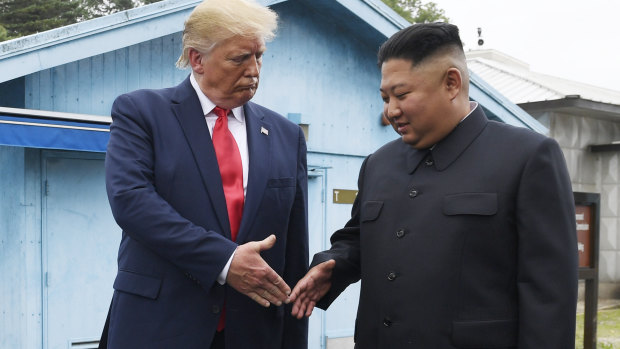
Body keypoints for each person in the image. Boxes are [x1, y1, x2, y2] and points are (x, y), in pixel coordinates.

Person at [290, 22, 577, 348]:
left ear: (451, 83)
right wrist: (333, 267)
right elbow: (357, 239)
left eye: (401, 94)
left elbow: (550, 294)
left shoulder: (527, 157)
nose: (390, 110)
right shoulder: (378, 163)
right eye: (385, 97)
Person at [99, 0, 309, 348]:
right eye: (240, 58)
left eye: (259, 56)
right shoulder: (142, 112)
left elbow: (293, 247)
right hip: (159, 327)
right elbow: (131, 202)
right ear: (197, 59)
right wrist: (224, 260)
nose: (254, 70)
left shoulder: (286, 135)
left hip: (254, 332)